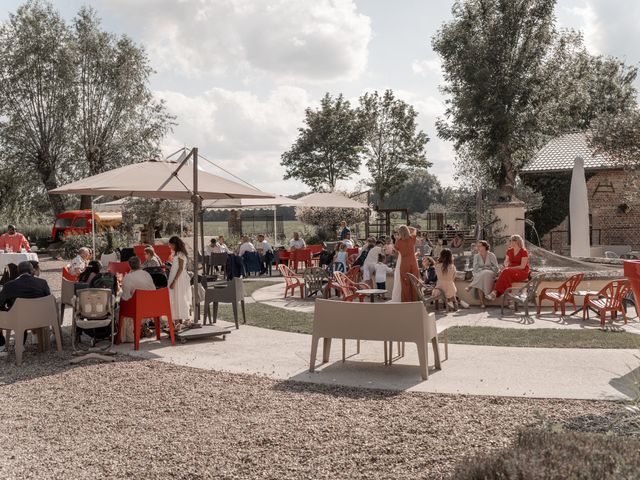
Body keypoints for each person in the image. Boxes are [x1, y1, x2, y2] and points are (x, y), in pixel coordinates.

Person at [0, 261, 51, 353]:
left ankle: (1, 344)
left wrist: (6, 310)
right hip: (39, 319)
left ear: (18, 271)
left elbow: (0, 303)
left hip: (16, 319)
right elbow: (48, 300)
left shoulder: (9, 285)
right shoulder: (42, 283)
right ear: (32, 271)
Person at [486, 235, 530, 300]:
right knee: (506, 276)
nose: (510, 243)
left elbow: (522, 266)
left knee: (506, 272)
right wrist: (506, 264)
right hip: (510, 272)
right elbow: (506, 261)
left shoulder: (523, 251)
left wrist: (509, 268)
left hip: (522, 272)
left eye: (511, 241)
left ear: (516, 242)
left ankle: (495, 292)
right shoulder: (509, 251)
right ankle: (509, 300)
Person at [391, 225, 420, 302]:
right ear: (407, 231)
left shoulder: (398, 242)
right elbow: (414, 229)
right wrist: (407, 227)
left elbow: (395, 252)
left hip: (404, 263)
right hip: (413, 262)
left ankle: (406, 301)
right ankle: (415, 300)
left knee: (405, 283)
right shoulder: (412, 238)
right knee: (415, 282)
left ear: (399, 232)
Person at [167, 236, 192, 326]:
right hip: (175, 277)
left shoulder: (181, 254)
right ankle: (177, 320)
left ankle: (183, 318)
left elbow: (181, 268)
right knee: (175, 298)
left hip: (179, 279)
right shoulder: (177, 253)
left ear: (175, 244)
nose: (170, 247)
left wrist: (174, 281)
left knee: (180, 298)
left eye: (171, 245)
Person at [466, 240, 499, 308]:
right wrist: (483, 268)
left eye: (480, 246)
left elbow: (496, 268)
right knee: (481, 277)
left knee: (483, 274)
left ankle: (471, 286)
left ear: (485, 247)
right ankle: (482, 301)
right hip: (480, 273)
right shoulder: (476, 256)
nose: (478, 247)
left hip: (491, 273)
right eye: (477, 246)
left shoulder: (491, 255)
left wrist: (488, 268)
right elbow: (475, 268)